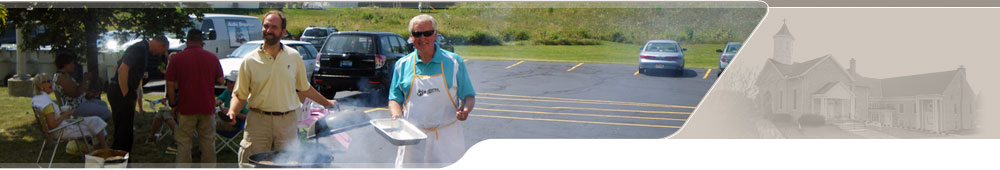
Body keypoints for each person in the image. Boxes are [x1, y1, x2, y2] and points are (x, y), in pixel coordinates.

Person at [228, 10, 338, 166]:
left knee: (289, 164)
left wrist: (326, 102)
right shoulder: (249, 60)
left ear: (283, 31)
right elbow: (240, 95)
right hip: (258, 122)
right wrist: (232, 112)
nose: (269, 30)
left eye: (274, 27)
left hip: (287, 122)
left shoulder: (294, 57)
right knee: (252, 164)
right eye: (266, 26)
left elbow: (304, 88)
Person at [388, 14, 476, 168]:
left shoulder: (454, 62)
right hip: (412, 139)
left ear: (435, 35)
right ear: (411, 37)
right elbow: (394, 98)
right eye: (417, 34)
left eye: (427, 33)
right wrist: (396, 115)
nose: (422, 38)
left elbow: (468, 96)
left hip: (446, 139)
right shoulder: (402, 65)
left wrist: (466, 110)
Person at [166, 29, 223, 168]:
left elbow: (170, 84)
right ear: (201, 42)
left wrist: (173, 104)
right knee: (208, 142)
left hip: (186, 107)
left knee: (184, 142)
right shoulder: (212, 57)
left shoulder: (176, 59)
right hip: (207, 106)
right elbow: (221, 81)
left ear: (187, 41)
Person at [106, 35, 169, 153]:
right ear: (161, 45)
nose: (159, 54)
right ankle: (120, 158)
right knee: (124, 131)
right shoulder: (139, 49)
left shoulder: (143, 49)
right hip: (120, 92)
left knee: (124, 129)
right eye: (162, 51)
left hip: (125, 91)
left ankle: (119, 156)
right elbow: (122, 70)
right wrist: (126, 94)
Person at [31, 73, 109, 150]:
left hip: (59, 129)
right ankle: (104, 149)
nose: (51, 83)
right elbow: (52, 125)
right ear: (41, 85)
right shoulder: (46, 103)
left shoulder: (38, 99)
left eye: (51, 81)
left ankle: (98, 149)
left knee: (94, 121)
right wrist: (65, 114)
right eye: (48, 81)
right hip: (61, 131)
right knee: (95, 123)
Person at [52, 53, 111, 120]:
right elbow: (75, 94)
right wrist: (85, 79)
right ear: (65, 64)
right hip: (73, 108)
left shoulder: (65, 75)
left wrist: (87, 96)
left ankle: (93, 125)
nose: (73, 66)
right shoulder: (61, 78)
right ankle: (91, 126)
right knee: (106, 113)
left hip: (80, 102)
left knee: (103, 104)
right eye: (72, 63)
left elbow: (74, 92)